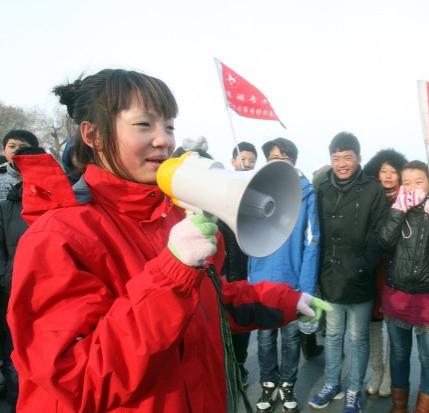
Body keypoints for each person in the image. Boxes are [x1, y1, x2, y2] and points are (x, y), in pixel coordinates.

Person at [7, 69, 330, 413]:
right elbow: (77, 380)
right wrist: (171, 273)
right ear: (93, 135)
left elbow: (210, 304)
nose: (164, 140)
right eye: (144, 125)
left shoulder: (171, 217)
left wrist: (286, 300)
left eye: (170, 126)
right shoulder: (58, 236)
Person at [309, 132, 388, 413]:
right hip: (330, 277)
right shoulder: (321, 189)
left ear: (358, 158)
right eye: (336, 157)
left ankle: (354, 388)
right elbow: (313, 232)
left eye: (347, 157)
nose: (341, 163)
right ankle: (332, 383)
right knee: (332, 335)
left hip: (360, 278)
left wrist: (363, 266)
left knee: (358, 338)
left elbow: (380, 235)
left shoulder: (372, 190)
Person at [378, 160, 429, 413]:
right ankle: (398, 406)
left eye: (419, 182)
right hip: (398, 296)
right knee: (399, 356)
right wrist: (397, 212)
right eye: (407, 183)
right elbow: (383, 241)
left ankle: (423, 410)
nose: (413, 188)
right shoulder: (396, 209)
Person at [249, 137, 320, 413]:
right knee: (265, 337)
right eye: (272, 159)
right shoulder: (254, 193)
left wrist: (306, 286)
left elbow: (313, 241)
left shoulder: (306, 193)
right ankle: (268, 383)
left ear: (293, 162)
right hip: (262, 282)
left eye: (284, 159)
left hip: (292, 281)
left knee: (290, 338)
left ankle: (287, 384)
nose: (278, 163)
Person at [0, 146, 46, 412]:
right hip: (14, 289)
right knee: (15, 350)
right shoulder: (6, 207)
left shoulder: (68, 203)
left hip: (51, 292)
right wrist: (6, 277)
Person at [362, 148, 407, 398]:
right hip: (372, 268)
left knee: (393, 325)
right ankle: (376, 370)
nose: (388, 176)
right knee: (373, 322)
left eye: (393, 172)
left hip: (396, 269)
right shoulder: (369, 197)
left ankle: (389, 374)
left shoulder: (408, 200)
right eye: (383, 171)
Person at [218, 140, 258, 389]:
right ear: (233, 160)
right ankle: (224, 369)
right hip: (221, 271)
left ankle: (239, 366)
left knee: (243, 325)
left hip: (246, 271)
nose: (247, 165)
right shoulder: (219, 189)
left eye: (252, 162)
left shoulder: (256, 193)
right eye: (243, 160)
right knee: (221, 327)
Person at [0, 130, 39, 200]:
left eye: (23, 147)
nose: (17, 150)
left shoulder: (46, 175)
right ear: (4, 150)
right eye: (12, 146)